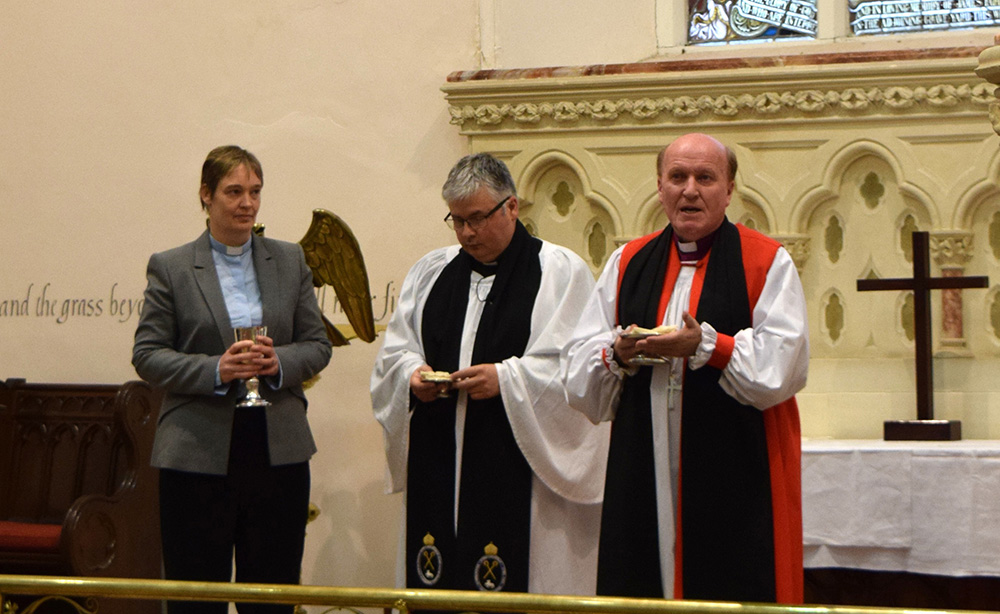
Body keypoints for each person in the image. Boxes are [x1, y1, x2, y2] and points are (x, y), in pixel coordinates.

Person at [563, 133, 808, 603]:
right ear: (660, 186)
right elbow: (578, 368)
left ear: (730, 189)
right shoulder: (628, 261)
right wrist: (618, 353)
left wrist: (708, 347)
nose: (689, 190)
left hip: (735, 467)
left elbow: (783, 365)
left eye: (705, 178)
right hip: (644, 462)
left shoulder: (765, 260)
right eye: (677, 177)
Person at [370, 153, 609, 595]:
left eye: (477, 218)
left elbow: (577, 369)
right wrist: (412, 375)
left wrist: (507, 379)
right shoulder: (431, 272)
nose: (467, 233)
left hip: (521, 469)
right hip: (441, 455)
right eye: (457, 220)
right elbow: (395, 352)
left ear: (512, 207)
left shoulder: (558, 271)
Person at [132, 145, 332, 614]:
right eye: (234, 192)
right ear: (206, 196)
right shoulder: (173, 266)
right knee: (196, 597)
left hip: (276, 448)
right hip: (197, 451)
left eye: (255, 192)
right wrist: (214, 370)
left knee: (272, 593)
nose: (247, 203)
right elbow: (147, 354)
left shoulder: (289, 260)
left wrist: (276, 361)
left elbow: (317, 345)